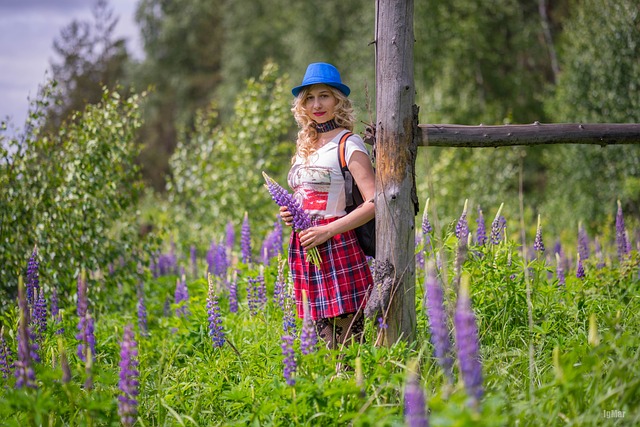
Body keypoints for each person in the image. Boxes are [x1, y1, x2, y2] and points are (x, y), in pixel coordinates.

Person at [279, 62, 375, 350]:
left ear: (338, 101)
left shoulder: (348, 143)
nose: (317, 104)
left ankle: (357, 389)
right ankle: (334, 389)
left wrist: (328, 231)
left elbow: (376, 202)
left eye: (324, 96)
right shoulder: (304, 146)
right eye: (309, 97)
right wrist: (289, 211)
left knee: (348, 342)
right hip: (306, 246)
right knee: (323, 342)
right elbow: (304, 194)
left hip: (337, 243)